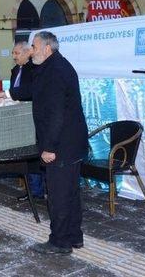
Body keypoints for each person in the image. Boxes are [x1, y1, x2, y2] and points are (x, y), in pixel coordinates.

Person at [29, 31, 88, 255]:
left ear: (47, 48)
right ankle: (74, 236)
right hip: (71, 143)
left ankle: (60, 241)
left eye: (34, 47)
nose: (32, 51)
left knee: (58, 195)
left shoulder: (54, 71)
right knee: (70, 192)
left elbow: (56, 114)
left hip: (61, 145)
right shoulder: (57, 66)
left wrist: (49, 148)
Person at [0, 41, 42, 200]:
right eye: (13, 53)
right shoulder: (15, 70)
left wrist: (10, 94)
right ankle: (32, 189)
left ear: (28, 52)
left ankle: (37, 190)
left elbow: (29, 92)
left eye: (16, 53)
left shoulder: (35, 69)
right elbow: (14, 90)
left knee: (34, 153)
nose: (13, 56)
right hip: (17, 116)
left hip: (31, 115)